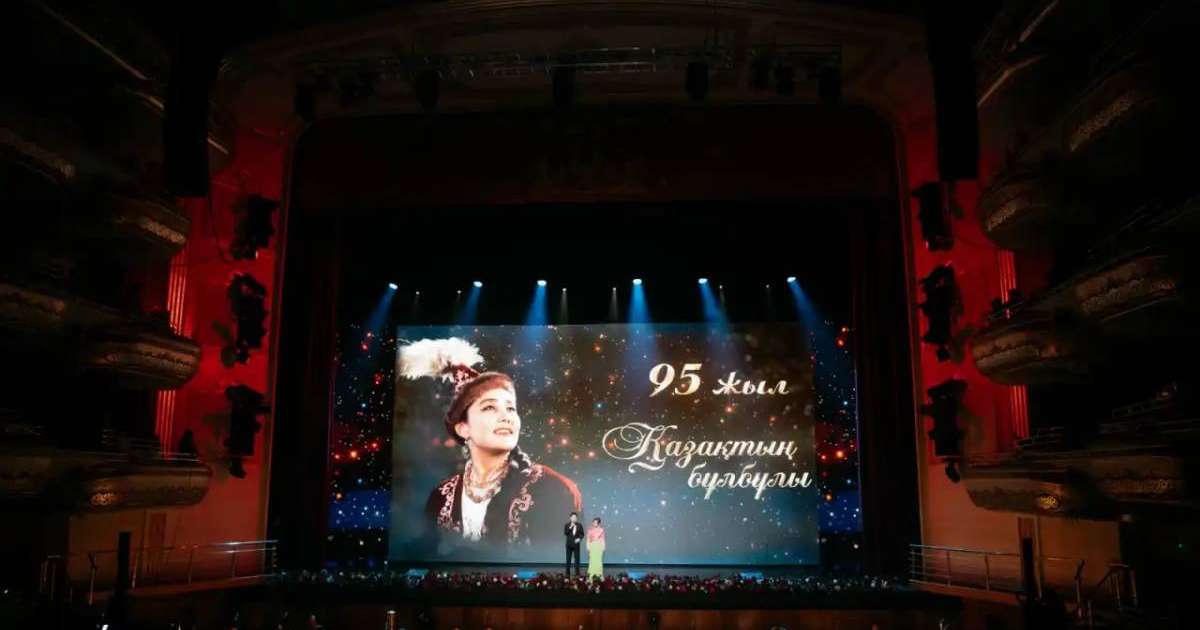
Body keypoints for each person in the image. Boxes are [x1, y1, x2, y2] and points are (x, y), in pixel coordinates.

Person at [400, 338, 582, 554]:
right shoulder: (440, 496)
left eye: (511, 408)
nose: (506, 417)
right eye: (489, 408)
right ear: (463, 429)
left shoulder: (551, 488)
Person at [564, 512, 584, 576]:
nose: (574, 518)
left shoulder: (579, 525)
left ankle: (577, 573)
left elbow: (582, 534)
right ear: (570, 518)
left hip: (576, 545)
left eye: (575, 517)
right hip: (569, 545)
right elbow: (565, 533)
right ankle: (567, 573)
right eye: (573, 517)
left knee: (577, 559)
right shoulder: (567, 525)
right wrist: (570, 527)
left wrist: (579, 539)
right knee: (568, 559)